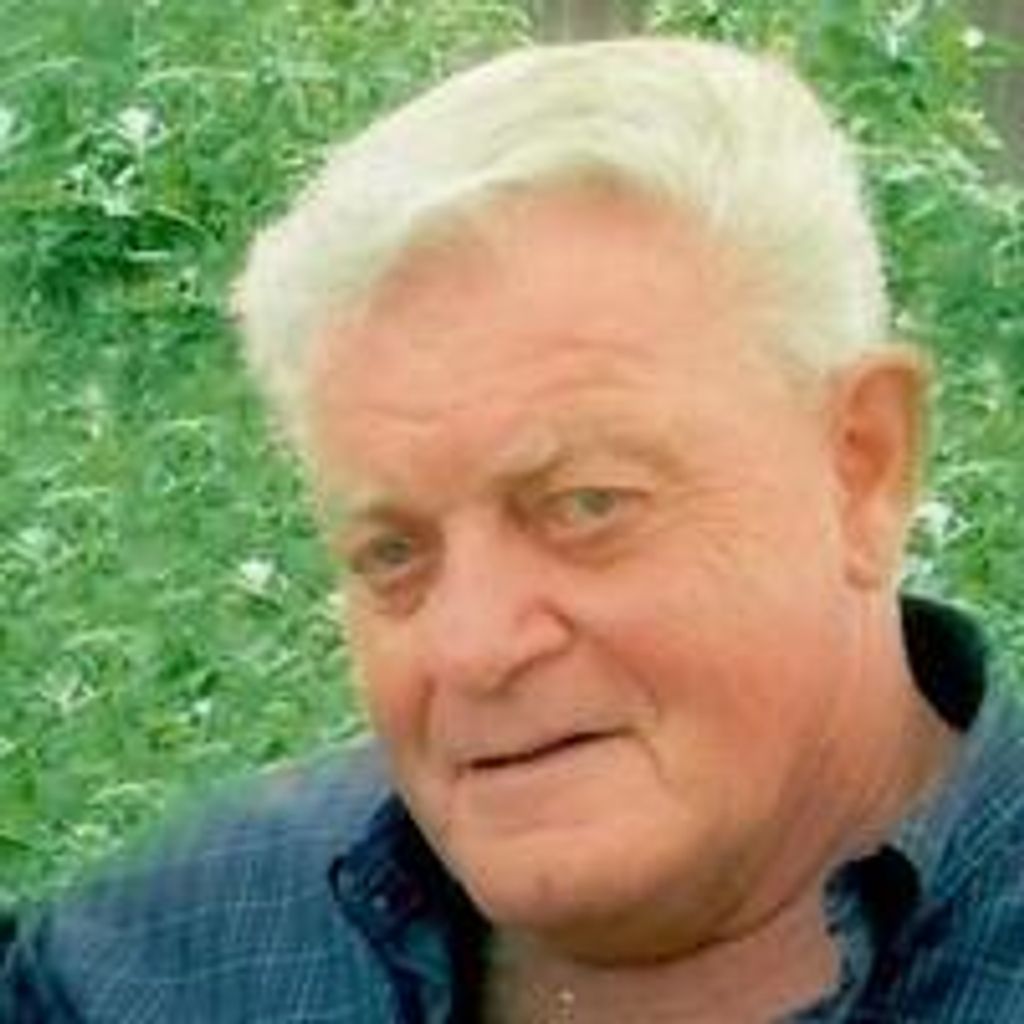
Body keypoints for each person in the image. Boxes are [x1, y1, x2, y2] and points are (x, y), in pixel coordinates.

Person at [3, 36, 1023, 1023]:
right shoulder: (160, 959)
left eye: (587, 506)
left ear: (860, 466)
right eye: (393, 553)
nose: (473, 646)